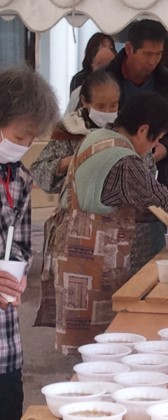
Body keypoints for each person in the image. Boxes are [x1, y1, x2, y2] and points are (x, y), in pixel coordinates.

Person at [40, 92, 168, 355]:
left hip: (70, 251)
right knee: (99, 350)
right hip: (91, 263)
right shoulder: (125, 161)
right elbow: (164, 201)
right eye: (156, 140)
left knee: (87, 350)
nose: (153, 149)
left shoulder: (97, 137)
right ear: (143, 130)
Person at [0, 67, 58, 420]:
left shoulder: (19, 176)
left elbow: (19, 243)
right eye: (20, 136)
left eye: (30, 139)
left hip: (4, 342)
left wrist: (17, 273)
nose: (22, 146)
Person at [105, 19, 168, 187]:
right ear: (129, 49)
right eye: (147, 54)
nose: (153, 61)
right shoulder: (104, 79)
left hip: (158, 176)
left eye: (158, 54)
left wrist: (167, 148)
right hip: (110, 172)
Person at [31, 70, 120, 195]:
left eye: (113, 105)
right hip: (77, 205)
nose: (107, 111)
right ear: (84, 101)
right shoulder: (69, 129)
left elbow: (146, 171)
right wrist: (74, 160)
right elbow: (40, 173)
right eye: (100, 106)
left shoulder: (126, 129)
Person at [65, 47, 117, 114]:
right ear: (93, 66)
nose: (104, 70)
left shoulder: (125, 90)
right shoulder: (78, 93)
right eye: (100, 65)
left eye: (109, 65)